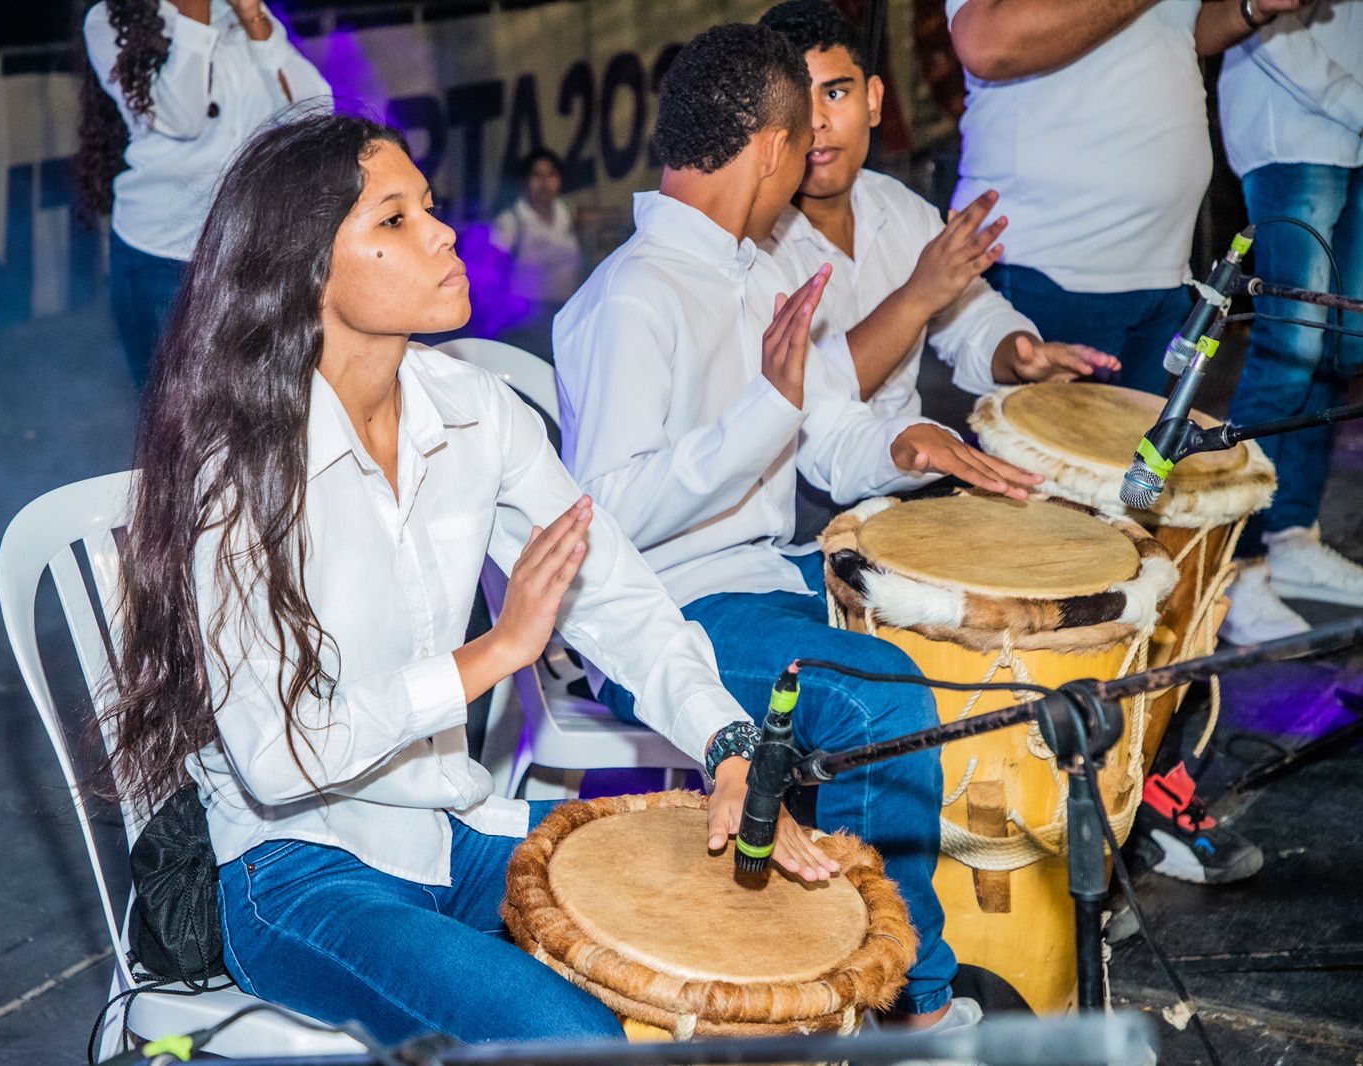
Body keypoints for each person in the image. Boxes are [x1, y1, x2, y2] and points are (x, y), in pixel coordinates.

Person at [102, 113, 834, 1046]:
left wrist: (728, 743)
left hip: (453, 830)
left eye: (429, 206)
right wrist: (495, 652)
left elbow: (616, 594)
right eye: (394, 219)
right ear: (308, 269)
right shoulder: (236, 472)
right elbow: (278, 757)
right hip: (294, 871)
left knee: (742, 914)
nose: (443, 232)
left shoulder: (475, 413)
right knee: (572, 1037)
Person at [555, 24, 1035, 1032]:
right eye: (801, 132)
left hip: (767, 577)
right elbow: (609, 518)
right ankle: (906, 1004)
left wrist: (907, 446)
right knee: (876, 695)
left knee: (944, 640)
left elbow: (827, 438)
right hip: (668, 608)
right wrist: (760, 415)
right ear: (771, 148)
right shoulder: (633, 296)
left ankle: (879, 946)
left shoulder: (758, 272)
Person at [758, 0, 1120, 426]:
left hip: (905, 453)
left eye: (835, 93)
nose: (817, 121)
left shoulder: (899, 208)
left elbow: (972, 317)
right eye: (796, 100)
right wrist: (917, 297)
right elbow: (796, 400)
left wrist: (1021, 354)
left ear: (873, 100)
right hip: (808, 470)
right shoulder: (753, 241)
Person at [945, 0, 1309, 397]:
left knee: (1138, 439)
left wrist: (1251, 7)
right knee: (1039, 439)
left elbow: (1179, 27)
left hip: (1163, 266)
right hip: (1051, 261)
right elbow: (986, 43)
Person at [77, 0, 332, 387]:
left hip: (250, 247)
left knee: (263, 394)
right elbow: (185, 117)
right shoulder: (110, 20)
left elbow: (314, 112)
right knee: (173, 408)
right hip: (164, 257)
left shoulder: (238, 12)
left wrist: (253, 18)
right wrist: (196, 15)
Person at [1214, 1, 1363, 647]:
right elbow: (1267, 26)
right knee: (1288, 348)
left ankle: (1291, 535)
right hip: (1294, 134)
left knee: (1338, 348)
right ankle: (1236, 564)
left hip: (1354, 138)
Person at [490, 148, 584, 362]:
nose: (545, 183)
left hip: (566, 313)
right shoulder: (512, 220)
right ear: (524, 181)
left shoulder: (567, 213)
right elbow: (490, 268)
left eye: (551, 175)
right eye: (537, 175)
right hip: (526, 320)